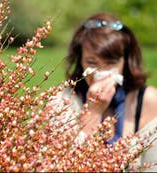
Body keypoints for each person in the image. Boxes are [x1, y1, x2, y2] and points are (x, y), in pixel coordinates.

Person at [59, 12, 157, 170]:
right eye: (92, 62)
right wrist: (93, 111)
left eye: (111, 62)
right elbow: (63, 165)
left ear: (125, 61)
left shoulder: (149, 101)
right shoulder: (65, 101)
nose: (101, 71)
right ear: (80, 61)